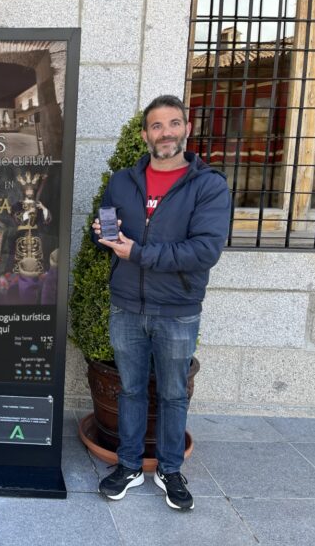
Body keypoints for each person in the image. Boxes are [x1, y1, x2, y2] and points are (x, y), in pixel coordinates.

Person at [92, 95, 230, 511]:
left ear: (186, 128)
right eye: (156, 125)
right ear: (144, 135)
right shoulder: (122, 181)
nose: (165, 132)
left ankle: (170, 470)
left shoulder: (208, 185)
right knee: (131, 390)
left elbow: (204, 251)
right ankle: (129, 466)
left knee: (172, 394)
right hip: (126, 305)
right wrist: (103, 235)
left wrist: (138, 253)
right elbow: (109, 237)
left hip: (177, 309)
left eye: (173, 123)